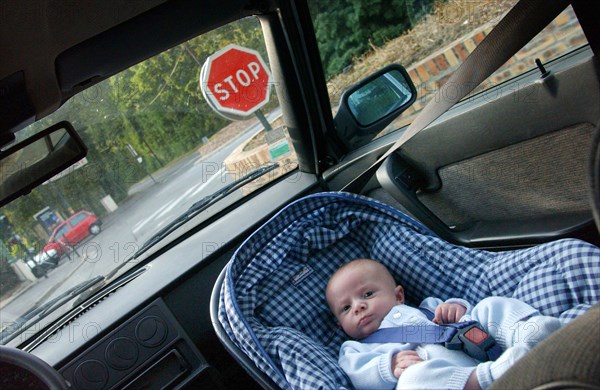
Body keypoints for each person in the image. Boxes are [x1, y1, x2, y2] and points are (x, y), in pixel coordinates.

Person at [325, 259, 563, 390]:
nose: (358, 307)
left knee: (489, 306)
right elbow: (357, 373)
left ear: (399, 296)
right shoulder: (356, 348)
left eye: (367, 294)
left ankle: (530, 332)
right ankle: (492, 377)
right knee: (412, 382)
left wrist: (457, 310)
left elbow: (466, 316)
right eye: (346, 308)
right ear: (339, 324)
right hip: (459, 382)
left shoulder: (429, 307)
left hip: (485, 348)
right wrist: (389, 365)